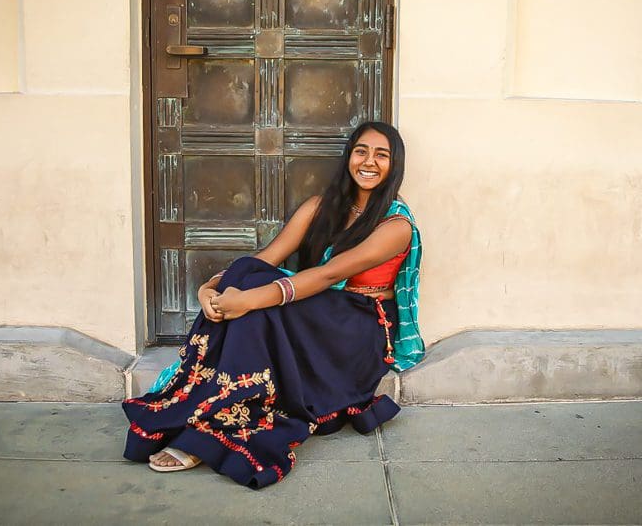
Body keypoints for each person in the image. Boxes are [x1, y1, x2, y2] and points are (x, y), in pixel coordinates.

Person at [122, 121, 424, 489]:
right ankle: (209, 408)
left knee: (260, 308)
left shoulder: (396, 225)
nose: (369, 162)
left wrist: (248, 300)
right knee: (250, 272)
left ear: (396, 165)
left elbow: (328, 274)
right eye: (362, 151)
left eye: (382, 155)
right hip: (318, 307)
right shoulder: (320, 207)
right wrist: (212, 289)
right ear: (349, 156)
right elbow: (267, 258)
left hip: (358, 325)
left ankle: (220, 424)